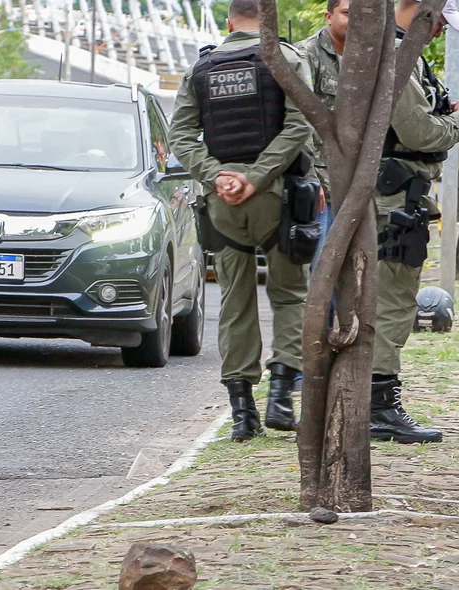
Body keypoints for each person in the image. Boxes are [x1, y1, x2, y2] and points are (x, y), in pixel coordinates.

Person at [168, 0, 314, 442]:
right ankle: (282, 398)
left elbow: (180, 136)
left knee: (235, 300)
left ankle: (242, 414)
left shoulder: (201, 70)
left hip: (222, 204)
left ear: (229, 23)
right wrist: (256, 176)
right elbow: (300, 124)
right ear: (266, 20)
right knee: (289, 296)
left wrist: (218, 177)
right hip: (277, 198)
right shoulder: (286, 58)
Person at [371, 0, 459, 444]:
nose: (440, 30)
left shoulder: (403, 54)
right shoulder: (397, 56)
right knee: (394, 300)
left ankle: (378, 399)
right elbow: (418, 132)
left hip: (401, 193)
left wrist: (450, 113)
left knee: (392, 296)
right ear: (418, 9)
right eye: (439, 20)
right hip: (394, 197)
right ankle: (379, 405)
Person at [297, 0, 349, 263]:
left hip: (351, 181)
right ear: (329, 16)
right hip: (318, 183)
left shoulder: (365, 55)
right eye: (346, 13)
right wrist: (309, 178)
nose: (353, 21)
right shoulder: (307, 54)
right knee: (319, 269)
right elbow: (297, 118)